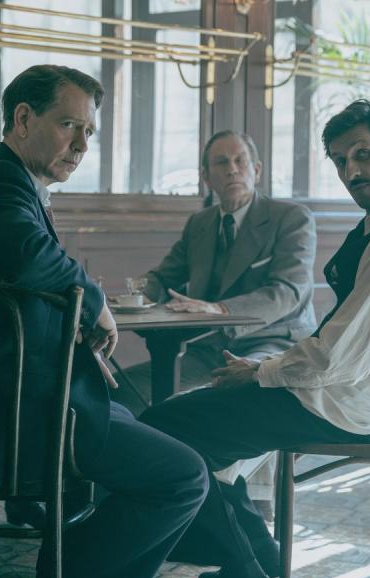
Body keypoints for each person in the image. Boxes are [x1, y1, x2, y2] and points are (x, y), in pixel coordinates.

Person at [140, 99, 370, 578]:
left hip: (341, 402)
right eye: (339, 160)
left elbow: (338, 354)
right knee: (186, 426)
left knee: (164, 430)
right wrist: (266, 371)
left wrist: (260, 371)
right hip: (334, 390)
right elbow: (338, 344)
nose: (350, 171)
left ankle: (245, 576)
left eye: (363, 155)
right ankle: (259, 557)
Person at [0, 64, 209, 578]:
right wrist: (94, 299)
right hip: (33, 410)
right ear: (23, 119)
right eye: (69, 125)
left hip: (50, 391)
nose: (80, 145)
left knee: (173, 437)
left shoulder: (14, 182)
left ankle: (243, 574)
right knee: (185, 476)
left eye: (89, 132)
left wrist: (79, 320)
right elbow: (25, 254)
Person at [111, 130, 316, 414]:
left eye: (239, 161)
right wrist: (133, 299)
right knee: (118, 392)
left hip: (272, 346)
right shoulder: (200, 224)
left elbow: (287, 292)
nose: (232, 169)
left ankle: (190, 454)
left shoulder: (291, 218)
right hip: (207, 348)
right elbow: (163, 277)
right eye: (221, 163)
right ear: (206, 178)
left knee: (222, 399)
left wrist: (218, 309)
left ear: (256, 171)